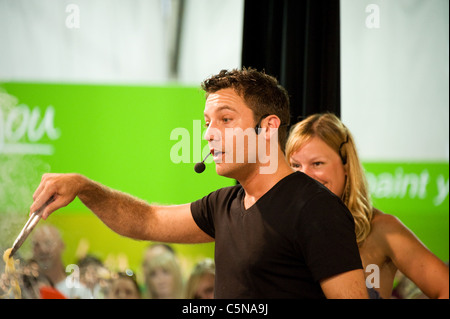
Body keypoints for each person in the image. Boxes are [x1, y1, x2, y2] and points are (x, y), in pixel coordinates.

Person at [29, 68, 368, 298]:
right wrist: (85, 188)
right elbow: (146, 220)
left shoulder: (315, 208)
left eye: (225, 120)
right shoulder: (223, 205)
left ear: (267, 128)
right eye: (207, 122)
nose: (208, 135)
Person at [285, 112, 450, 299]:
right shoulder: (279, 227)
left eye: (317, 163)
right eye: (295, 165)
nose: (304, 176)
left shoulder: (381, 229)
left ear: (346, 166)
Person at [30, 225, 93, 299]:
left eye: (48, 243)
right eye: (36, 245)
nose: (43, 250)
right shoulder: (27, 291)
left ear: (62, 245)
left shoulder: (78, 291)